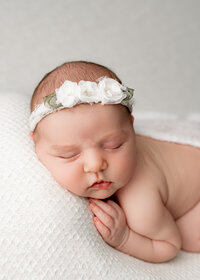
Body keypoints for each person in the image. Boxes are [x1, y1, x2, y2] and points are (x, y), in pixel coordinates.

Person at [29, 60, 200, 263]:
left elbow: (169, 246)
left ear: (132, 128)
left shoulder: (140, 203)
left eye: (114, 145)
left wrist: (125, 238)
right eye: (69, 154)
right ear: (34, 141)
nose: (95, 165)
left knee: (192, 238)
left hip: (194, 193)